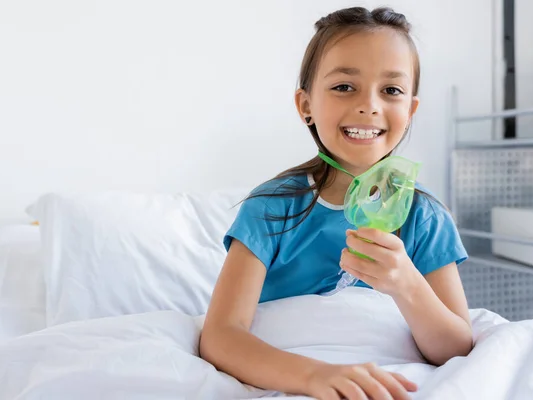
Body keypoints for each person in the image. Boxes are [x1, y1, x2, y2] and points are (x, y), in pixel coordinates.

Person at [199, 6, 473, 400]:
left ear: (411, 110)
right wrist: (315, 376)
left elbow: (457, 348)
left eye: (391, 90)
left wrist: (407, 285)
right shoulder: (271, 208)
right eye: (345, 86)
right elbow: (221, 336)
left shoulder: (424, 217)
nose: (370, 105)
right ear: (305, 105)